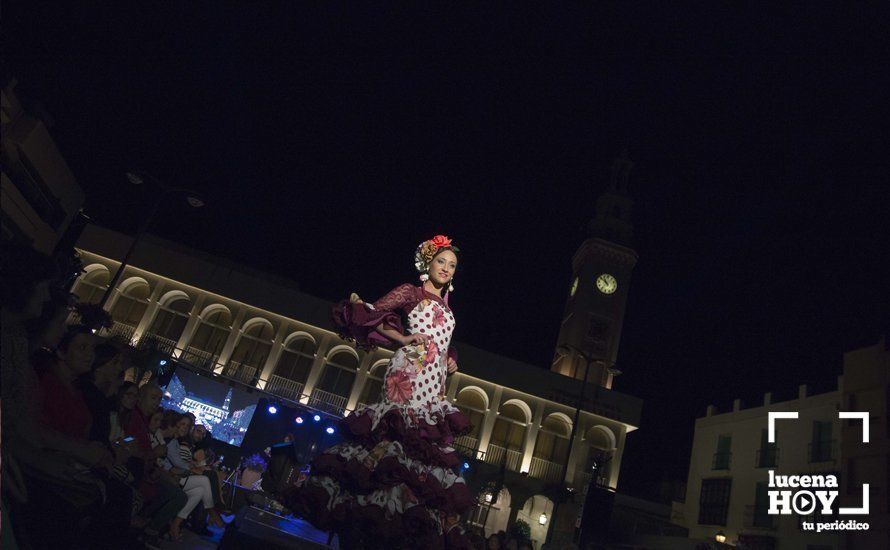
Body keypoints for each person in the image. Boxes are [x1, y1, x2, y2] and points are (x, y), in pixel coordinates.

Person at [284, 235, 473, 548]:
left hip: (435, 382)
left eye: (452, 265)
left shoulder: (449, 308)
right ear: (428, 263)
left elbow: (443, 344)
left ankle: (392, 522)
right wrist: (401, 339)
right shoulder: (410, 292)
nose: (446, 269)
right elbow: (369, 311)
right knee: (394, 436)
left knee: (422, 449)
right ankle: (362, 516)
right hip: (407, 373)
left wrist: (451, 360)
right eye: (441, 261)